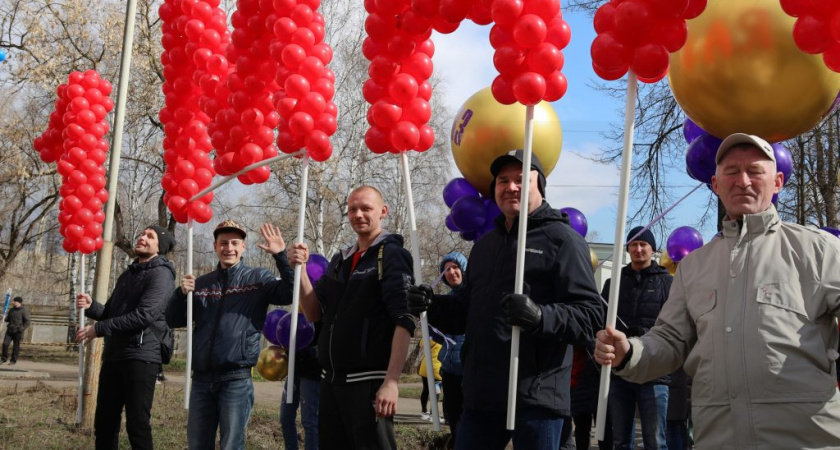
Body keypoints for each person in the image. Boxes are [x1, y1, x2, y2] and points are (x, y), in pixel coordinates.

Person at [594, 133, 840, 448]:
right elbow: (670, 340)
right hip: (718, 437)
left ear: (777, 182)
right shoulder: (693, 267)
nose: (743, 181)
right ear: (715, 184)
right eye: (732, 171)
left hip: (805, 438)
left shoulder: (818, 250)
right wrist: (629, 353)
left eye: (755, 171)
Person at [407, 150, 605, 450]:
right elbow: (466, 311)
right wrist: (431, 305)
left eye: (522, 179)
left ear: (540, 187)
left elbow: (590, 316)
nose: (511, 187)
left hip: (536, 397)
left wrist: (540, 316)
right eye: (503, 180)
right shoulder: (486, 245)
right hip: (482, 395)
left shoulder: (563, 240)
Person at [287, 185, 415, 450]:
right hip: (331, 383)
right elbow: (313, 312)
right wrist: (300, 271)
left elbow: (404, 319)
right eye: (352, 209)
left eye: (366, 208)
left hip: (368, 384)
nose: (358, 215)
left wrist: (391, 382)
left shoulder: (391, 255)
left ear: (383, 211)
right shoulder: (340, 260)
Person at [166, 220, 294, 450]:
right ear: (215, 246)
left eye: (235, 243)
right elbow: (172, 319)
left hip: (236, 380)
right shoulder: (201, 284)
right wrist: (181, 294)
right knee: (197, 444)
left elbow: (290, 293)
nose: (229, 248)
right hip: (201, 380)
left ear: (243, 247)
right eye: (223, 243)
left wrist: (280, 256)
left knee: (231, 444)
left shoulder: (257, 279)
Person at [75, 225, 177, 450]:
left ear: (160, 247)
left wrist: (99, 329)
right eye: (142, 234)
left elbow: (144, 315)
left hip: (142, 356)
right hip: (115, 355)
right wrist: (92, 307)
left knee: (137, 425)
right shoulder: (128, 274)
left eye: (150, 236)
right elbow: (111, 313)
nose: (142, 238)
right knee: (105, 423)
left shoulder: (162, 274)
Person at [601, 226, 672, 450]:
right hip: (620, 371)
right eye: (634, 244)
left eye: (643, 244)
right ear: (628, 249)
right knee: (621, 440)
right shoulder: (613, 283)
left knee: (656, 441)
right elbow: (600, 320)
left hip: (655, 371)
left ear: (653, 249)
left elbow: (674, 325)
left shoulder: (667, 283)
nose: (638, 249)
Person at [437, 251, 467, 444]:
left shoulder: (474, 297)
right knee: (453, 417)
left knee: (468, 422)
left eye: (455, 267)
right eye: (446, 269)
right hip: (448, 370)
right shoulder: (446, 299)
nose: (451, 272)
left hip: (468, 371)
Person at [280, 324, 321, 450]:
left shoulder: (322, 315)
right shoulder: (295, 315)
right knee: (285, 418)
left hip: (311, 373)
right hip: (294, 371)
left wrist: (311, 352)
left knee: (309, 421)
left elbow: (327, 342)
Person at [418, 336, 442, 421]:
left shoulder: (427, 337)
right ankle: (433, 415)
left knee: (426, 390)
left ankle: (424, 412)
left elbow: (421, 344)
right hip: (436, 369)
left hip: (425, 367)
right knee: (436, 392)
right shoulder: (441, 339)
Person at [2, 296, 30, 364]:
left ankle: (13, 360)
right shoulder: (11, 310)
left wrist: (21, 329)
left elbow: (27, 322)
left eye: (14, 301)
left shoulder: (24, 310)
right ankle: (4, 359)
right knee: (5, 344)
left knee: (16, 346)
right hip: (10, 330)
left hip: (18, 331)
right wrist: (3, 318)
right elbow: (8, 319)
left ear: (18, 302)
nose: (13, 302)